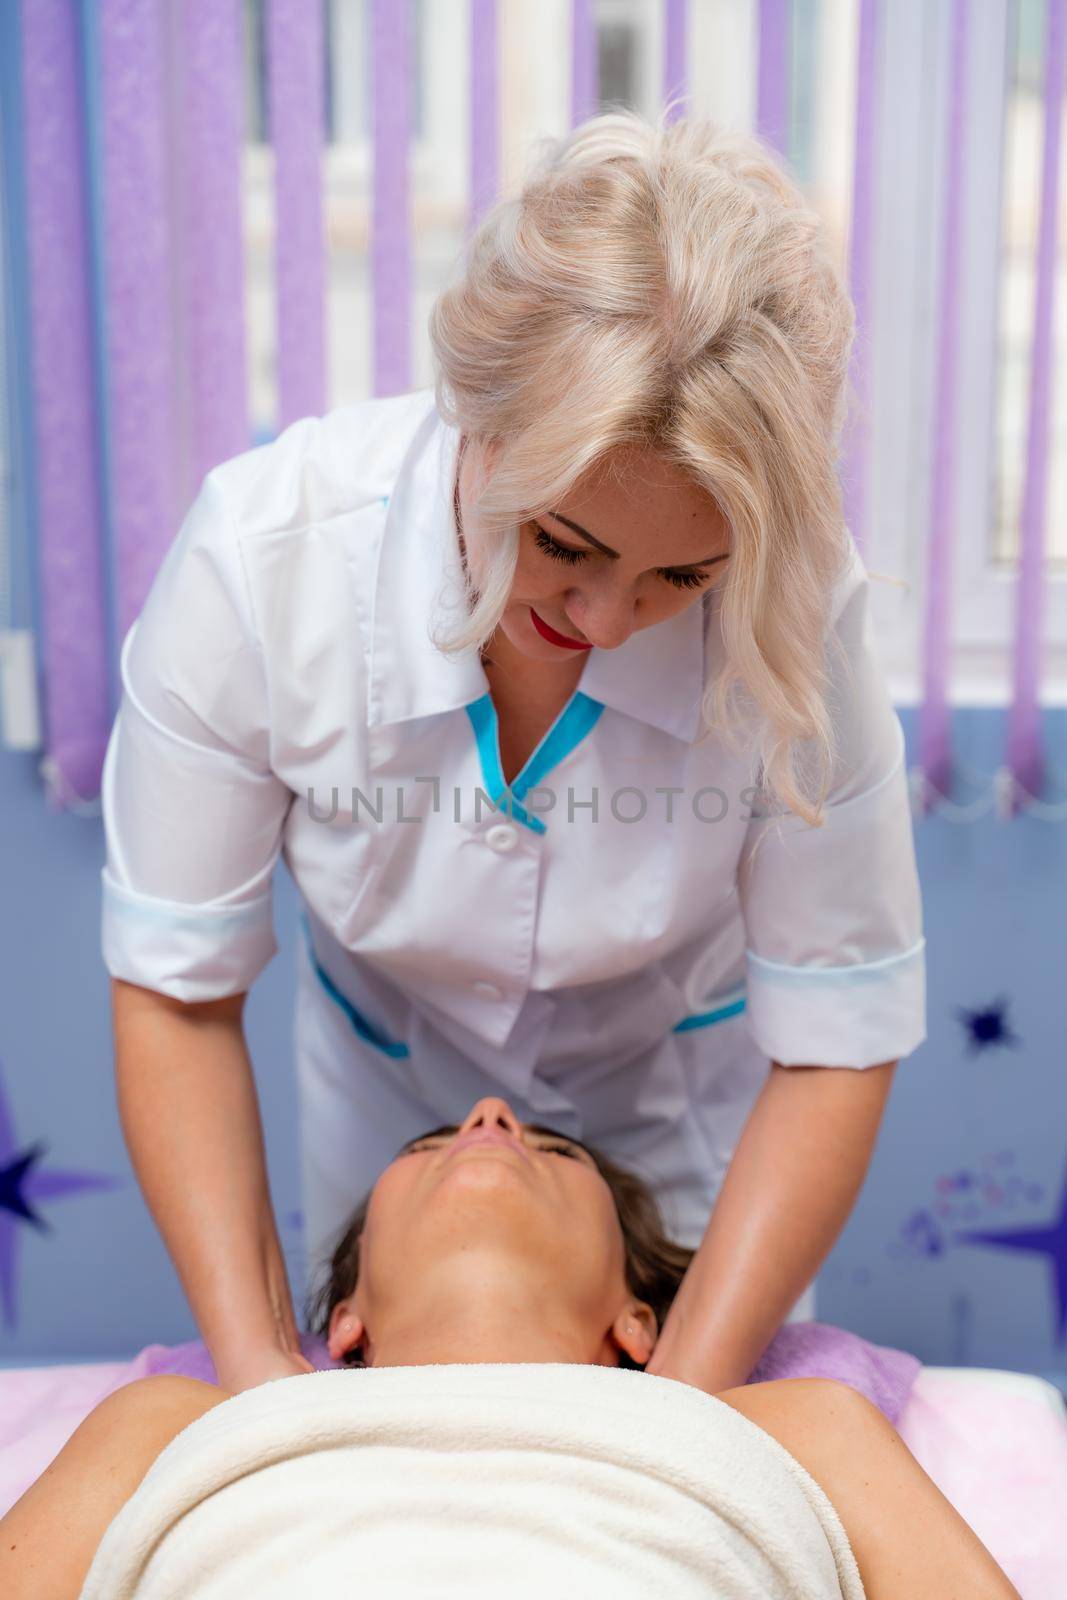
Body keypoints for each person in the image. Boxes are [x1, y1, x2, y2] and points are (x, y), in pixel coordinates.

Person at [101, 106, 926, 1400]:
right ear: (470, 414)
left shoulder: (792, 614)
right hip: (390, 1116)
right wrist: (260, 1375)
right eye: (561, 544)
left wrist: (685, 1409)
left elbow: (835, 1033)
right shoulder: (267, 563)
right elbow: (176, 987)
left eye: (678, 577)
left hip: (683, 1119)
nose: (601, 622)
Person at [0, 1099, 1019, 1598]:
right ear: (340, 1320)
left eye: (558, 1149)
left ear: (637, 1322)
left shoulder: (797, 1425)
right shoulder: (179, 1420)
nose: (493, 1113)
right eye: (426, 1142)